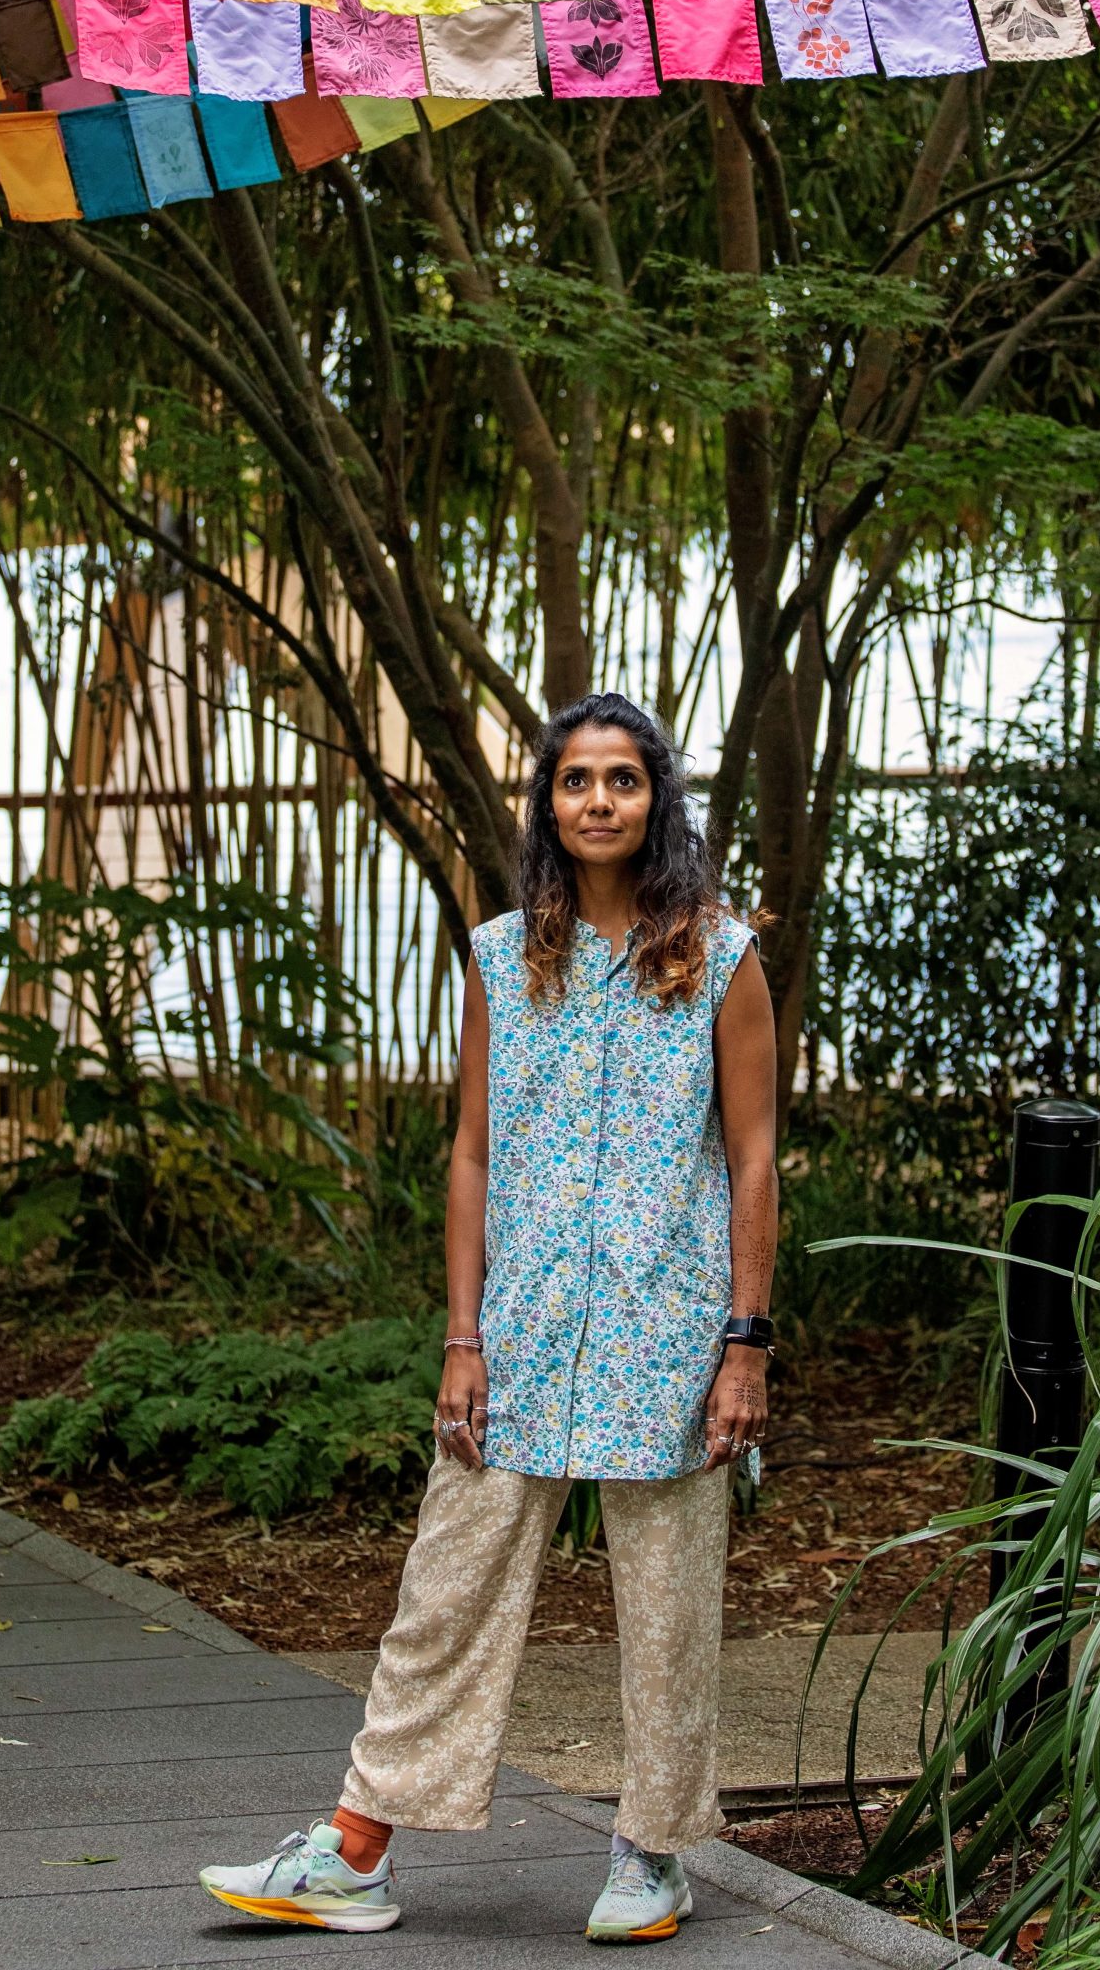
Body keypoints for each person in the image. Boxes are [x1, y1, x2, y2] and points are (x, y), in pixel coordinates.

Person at [199, 691, 778, 1943]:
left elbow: (754, 1157)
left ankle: (651, 1849)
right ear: (550, 804)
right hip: (516, 1335)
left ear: (656, 800)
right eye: (577, 780)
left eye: (623, 778)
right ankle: (355, 1849)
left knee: (670, 1603)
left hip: (665, 1335)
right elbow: (470, 1155)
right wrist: (461, 1337)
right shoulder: (504, 959)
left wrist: (746, 1339)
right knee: (445, 1585)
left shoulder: (720, 957)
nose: (600, 800)